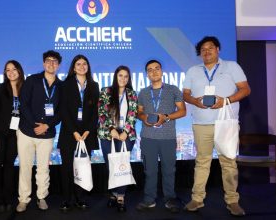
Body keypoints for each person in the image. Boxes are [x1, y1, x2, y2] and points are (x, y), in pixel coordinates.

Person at [183, 36, 251, 216]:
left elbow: (245, 89)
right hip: (201, 123)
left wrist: (226, 100)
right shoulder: (192, 71)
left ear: (218, 49)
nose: (207, 51)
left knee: (228, 162)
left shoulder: (232, 67)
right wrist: (195, 101)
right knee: (202, 162)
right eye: (203, 49)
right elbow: (186, 94)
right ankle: (197, 199)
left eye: (210, 48)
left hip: (226, 123)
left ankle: (232, 201)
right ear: (200, 53)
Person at [136, 60, 186, 213]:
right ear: (147, 74)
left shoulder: (173, 89)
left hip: (168, 137)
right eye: (150, 70)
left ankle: (170, 199)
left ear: (162, 71)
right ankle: (149, 200)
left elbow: (182, 111)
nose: (154, 72)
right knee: (149, 171)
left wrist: (166, 117)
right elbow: (139, 112)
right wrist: (144, 118)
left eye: (157, 68)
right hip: (148, 137)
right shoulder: (143, 92)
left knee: (168, 170)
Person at [16, 50, 62, 212]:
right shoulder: (32, 80)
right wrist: (35, 125)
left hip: (47, 134)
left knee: (43, 168)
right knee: (25, 167)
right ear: (43, 63)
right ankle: (23, 199)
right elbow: (23, 104)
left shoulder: (61, 86)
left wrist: (46, 126)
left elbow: (61, 112)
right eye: (48, 61)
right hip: (26, 131)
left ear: (58, 65)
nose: (51, 64)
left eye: (54, 61)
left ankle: (41, 197)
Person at [58, 54, 99, 212]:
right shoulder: (65, 85)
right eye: (78, 64)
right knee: (67, 168)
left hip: (87, 134)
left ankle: (80, 198)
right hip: (69, 133)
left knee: (82, 168)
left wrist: (88, 130)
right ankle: (66, 199)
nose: (82, 67)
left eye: (84, 64)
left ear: (88, 67)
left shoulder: (94, 86)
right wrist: (74, 131)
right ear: (73, 68)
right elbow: (63, 111)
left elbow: (96, 112)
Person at [97, 65, 138, 212]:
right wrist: (111, 129)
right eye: (120, 75)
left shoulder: (132, 93)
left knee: (123, 165)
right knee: (111, 165)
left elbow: (133, 114)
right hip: (108, 134)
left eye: (126, 76)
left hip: (126, 135)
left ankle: (121, 195)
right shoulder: (106, 91)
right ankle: (113, 194)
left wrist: (126, 131)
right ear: (115, 76)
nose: (123, 79)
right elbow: (101, 112)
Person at [0, 60, 25, 212]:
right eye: (7, 70)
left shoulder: (26, 88)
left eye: (14, 69)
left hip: (16, 134)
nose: (11, 72)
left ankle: (8, 199)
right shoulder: (0, 88)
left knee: (10, 166)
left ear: (19, 71)